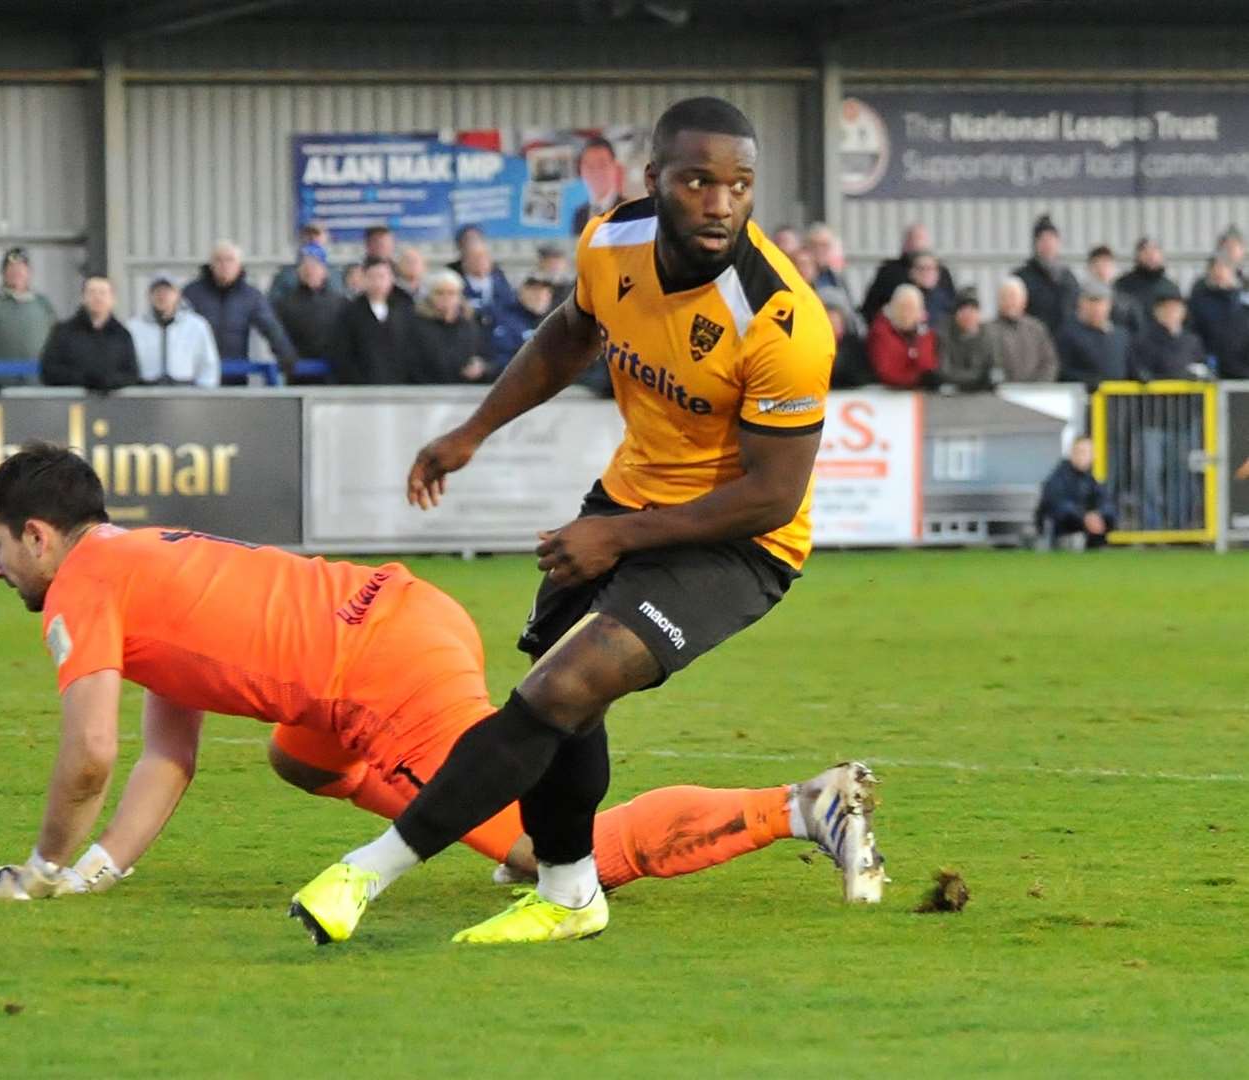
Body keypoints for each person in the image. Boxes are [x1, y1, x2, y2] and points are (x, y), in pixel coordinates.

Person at [291, 96, 881, 948]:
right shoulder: (611, 242)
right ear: (656, 181)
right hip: (628, 502)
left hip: (737, 543)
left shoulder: (782, 322)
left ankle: (362, 875)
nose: (720, 202)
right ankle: (569, 895)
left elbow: (772, 497)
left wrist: (616, 538)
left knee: (561, 688)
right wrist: (473, 431)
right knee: (565, 706)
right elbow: (569, 338)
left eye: (740, 185)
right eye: (698, 180)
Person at [0, 444, 868, 918]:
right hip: (393, 612)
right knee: (297, 753)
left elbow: (92, 754)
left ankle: (799, 806)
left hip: (380, 672)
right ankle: (470, 815)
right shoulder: (135, 559)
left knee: (555, 858)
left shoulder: (80, 585)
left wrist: (38, 872)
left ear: (39, 535)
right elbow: (168, 748)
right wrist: (100, 870)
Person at [180, 241, 298, 379]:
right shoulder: (192, 293)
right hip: (197, 373)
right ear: (211, 264)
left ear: (239, 265)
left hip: (235, 373)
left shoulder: (251, 296)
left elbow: (270, 327)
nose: (224, 265)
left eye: (230, 260)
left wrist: (286, 355)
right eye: (219, 260)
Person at [40, 276, 139, 391]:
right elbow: (49, 371)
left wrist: (109, 382)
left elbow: (131, 375)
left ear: (113, 299)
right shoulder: (63, 332)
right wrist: (85, 381)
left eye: (103, 293)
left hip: (113, 405)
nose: (97, 298)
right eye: (92, 292)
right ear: (83, 298)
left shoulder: (122, 335)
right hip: (71, 405)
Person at [328, 256, 415, 385]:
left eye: (382, 276)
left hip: (400, 385)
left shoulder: (405, 309)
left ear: (392, 279)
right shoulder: (349, 312)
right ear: (363, 279)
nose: (377, 282)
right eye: (371, 277)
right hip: (363, 386)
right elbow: (342, 353)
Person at [0, 248, 58, 366]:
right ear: (3, 272)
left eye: (21, 267)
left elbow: (56, 340)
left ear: (29, 272)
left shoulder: (43, 304)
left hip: (36, 380)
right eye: (11, 267)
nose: (17, 272)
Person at [127, 274, 220, 388]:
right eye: (157, 291)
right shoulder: (134, 327)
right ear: (149, 295)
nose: (162, 296)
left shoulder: (197, 326)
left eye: (167, 292)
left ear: (178, 295)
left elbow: (208, 364)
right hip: (146, 390)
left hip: (185, 390)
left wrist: (205, 394)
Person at [860, 222, 956, 323]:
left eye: (922, 239)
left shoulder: (943, 272)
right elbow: (871, 308)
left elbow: (953, 307)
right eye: (915, 239)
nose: (919, 244)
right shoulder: (889, 272)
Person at [408, 269, 490, 384]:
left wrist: (480, 367)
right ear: (430, 296)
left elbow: (484, 356)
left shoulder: (469, 325)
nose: (446, 298)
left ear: (459, 297)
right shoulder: (415, 325)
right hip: (427, 391)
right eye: (440, 293)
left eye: (451, 293)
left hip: (465, 390)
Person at [1035, 436, 1115, 550]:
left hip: (1087, 527)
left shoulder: (1091, 479)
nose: (1084, 456)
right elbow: (1059, 506)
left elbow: (1106, 502)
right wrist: (1084, 517)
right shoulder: (1058, 477)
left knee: (1109, 516)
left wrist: (1099, 515)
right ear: (1072, 453)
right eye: (1080, 452)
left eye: (1088, 452)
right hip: (1062, 531)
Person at [273, 247, 347, 369]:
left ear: (324, 270)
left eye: (315, 266)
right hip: (298, 371)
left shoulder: (341, 303)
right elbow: (278, 336)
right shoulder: (285, 304)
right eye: (305, 266)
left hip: (333, 370)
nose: (309, 271)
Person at [1013, 214, 1079, 340]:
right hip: (1032, 342)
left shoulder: (1068, 278)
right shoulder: (1022, 278)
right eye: (1043, 239)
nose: (1048, 244)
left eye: (1051, 239)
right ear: (1035, 244)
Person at [1056, 278, 1130, 388]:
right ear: (1081, 303)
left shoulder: (1121, 334)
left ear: (1109, 305)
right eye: (1091, 302)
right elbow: (1061, 370)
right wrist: (1091, 381)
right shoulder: (1068, 333)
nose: (1096, 308)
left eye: (1101, 302)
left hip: (1117, 400)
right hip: (1085, 399)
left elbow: (1129, 365)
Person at [1129, 281, 1209, 381]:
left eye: (1175, 309)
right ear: (1156, 312)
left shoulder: (1192, 341)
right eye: (1165, 308)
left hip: (1187, 395)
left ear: (1183, 312)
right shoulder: (1143, 340)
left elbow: (1202, 367)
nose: (1170, 313)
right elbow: (1138, 369)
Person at [985, 277, 1058, 383]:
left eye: (1014, 297)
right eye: (1005, 297)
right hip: (1001, 392)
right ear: (999, 300)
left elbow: (1050, 362)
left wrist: (1039, 385)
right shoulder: (987, 330)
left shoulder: (1036, 328)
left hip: (1035, 393)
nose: (1010, 301)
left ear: (1024, 300)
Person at [866, 283, 938, 389]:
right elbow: (885, 371)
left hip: (921, 393)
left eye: (912, 308)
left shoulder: (926, 335)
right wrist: (916, 379)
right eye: (903, 307)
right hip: (888, 394)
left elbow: (929, 366)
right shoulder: (881, 333)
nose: (907, 313)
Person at [1187, 255, 1249, 368]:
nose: (1219, 274)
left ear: (1232, 271)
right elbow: (1192, 332)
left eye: (1223, 269)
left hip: (1243, 364)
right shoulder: (1199, 300)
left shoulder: (1243, 299)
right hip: (1212, 363)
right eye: (1215, 270)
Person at [489, 273, 556, 373]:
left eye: (545, 292)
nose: (540, 296)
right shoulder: (503, 318)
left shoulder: (557, 319)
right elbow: (501, 355)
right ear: (521, 292)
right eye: (534, 291)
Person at [939, 288, 996, 392]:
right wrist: (979, 378)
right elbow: (944, 373)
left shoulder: (989, 336)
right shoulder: (944, 335)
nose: (968, 314)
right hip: (952, 396)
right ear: (956, 314)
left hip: (982, 396)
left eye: (973, 309)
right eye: (963, 309)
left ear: (979, 313)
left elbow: (995, 372)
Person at [817, 286, 871, 389]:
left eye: (836, 321)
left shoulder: (855, 346)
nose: (833, 325)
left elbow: (861, 377)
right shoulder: (809, 347)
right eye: (828, 321)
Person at [456, 236, 514, 331]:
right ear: (464, 261)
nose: (480, 261)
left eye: (484, 256)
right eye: (474, 257)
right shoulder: (457, 286)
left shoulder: (503, 284)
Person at [570, 136, 624, 237]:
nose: (596, 172)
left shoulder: (631, 211)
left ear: (615, 168)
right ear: (581, 171)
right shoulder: (579, 214)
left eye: (602, 164)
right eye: (589, 166)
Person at [266, 223, 331, 304]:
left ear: (326, 238)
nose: (312, 238)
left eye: (317, 235)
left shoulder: (333, 274)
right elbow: (273, 302)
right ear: (302, 239)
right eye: (309, 235)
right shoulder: (286, 275)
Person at [1086, 244, 1142, 336]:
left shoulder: (1127, 302)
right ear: (1089, 269)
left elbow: (1137, 332)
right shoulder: (1080, 300)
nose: (1101, 270)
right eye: (1097, 265)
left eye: (1106, 264)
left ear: (1114, 268)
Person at [1114, 236, 1177, 316]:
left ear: (1161, 256)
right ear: (1137, 256)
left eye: (1155, 251)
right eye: (1146, 252)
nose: (1151, 256)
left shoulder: (1170, 288)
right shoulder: (1123, 285)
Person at [907, 250, 955, 332]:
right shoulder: (903, 299)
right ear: (912, 273)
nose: (925, 273)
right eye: (921, 268)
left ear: (938, 273)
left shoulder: (948, 302)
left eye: (930, 268)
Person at [805, 222, 848, 296]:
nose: (820, 250)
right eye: (814, 245)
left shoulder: (836, 276)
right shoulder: (801, 274)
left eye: (824, 245)